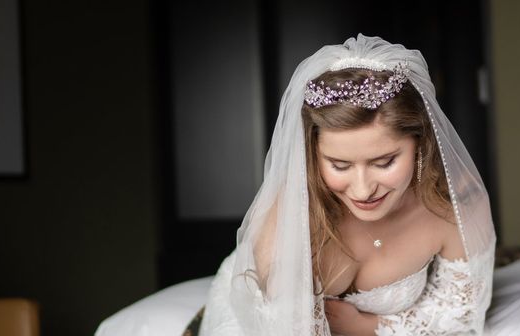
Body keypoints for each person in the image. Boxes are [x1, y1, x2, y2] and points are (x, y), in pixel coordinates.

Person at [199, 34, 496, 335]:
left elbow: (460, 314)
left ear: (421, 144)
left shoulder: (456, 202)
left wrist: (368, 327)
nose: (363, 189)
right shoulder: (288, 220)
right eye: (340, 166)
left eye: (384, 162)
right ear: (313, 155)